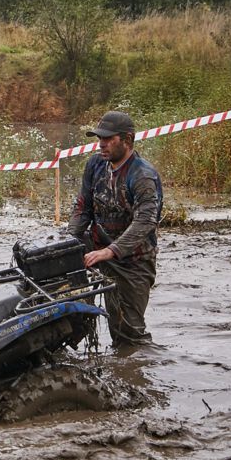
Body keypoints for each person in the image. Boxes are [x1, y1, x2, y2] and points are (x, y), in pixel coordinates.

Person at [67, 110, 163, 347]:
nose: (101, 144)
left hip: (133, 261)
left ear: (127, 140)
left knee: (127, 334)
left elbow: (145, 221)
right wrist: (69, 240)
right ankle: (74, 325)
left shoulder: (142, 176)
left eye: (108, 139)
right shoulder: (95, 165)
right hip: (98, 244)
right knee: (55, 264)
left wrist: (110, 251)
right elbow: (83, 206)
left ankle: (135, 365)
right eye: (100, 138)